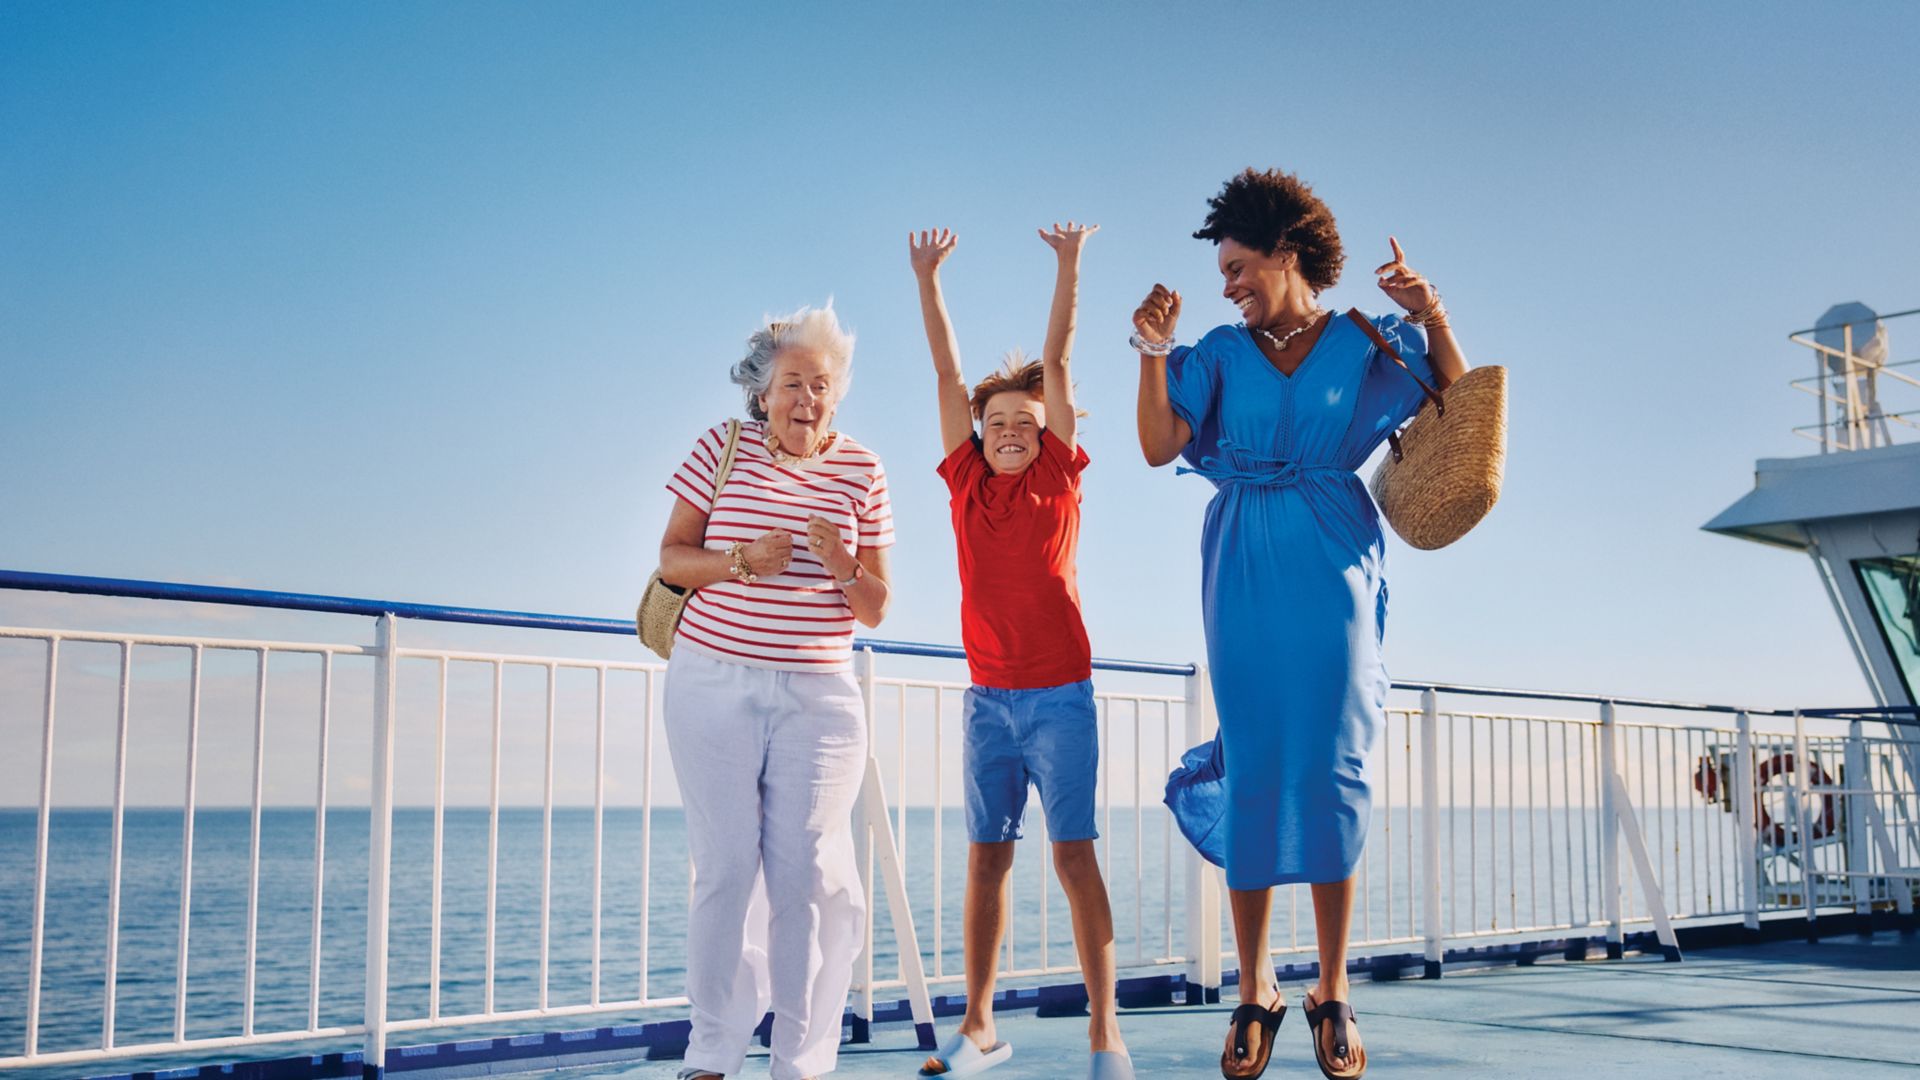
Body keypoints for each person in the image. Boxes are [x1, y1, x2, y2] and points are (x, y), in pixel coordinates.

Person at [1133, 169, 1470, 1080]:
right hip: (1241, 561)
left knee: (1334, 768)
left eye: (1239, 265)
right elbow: (1160, 443)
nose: (1228, 283)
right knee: (1254, 763)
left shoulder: (1364, 340)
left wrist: (1431, 309)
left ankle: (1332, 987)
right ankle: (1255, 989)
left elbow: (1456, 395)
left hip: (1335, 562)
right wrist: (1150, 350)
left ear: (1287, 256)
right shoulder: (1214, 352)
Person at [908, 223, 1132, 1080]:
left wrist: (1070, 264)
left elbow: (1060, 361)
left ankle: (1106, 1034)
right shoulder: (964, 480)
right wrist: (928, 279)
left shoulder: (1057, 477)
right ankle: (978, 1028)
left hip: (1059, 700)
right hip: (986, 703)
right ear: (977, 433)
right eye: (994, 421)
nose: (1007, 430)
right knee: (986, 860)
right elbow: (943, 372)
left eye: (1024, 422)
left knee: (1074, 857)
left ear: (1047, 433)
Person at [657, 303, 894, 1080]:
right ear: (763, 392)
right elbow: (672, 560)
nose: (807, 400)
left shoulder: (862, 469)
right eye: (792, 383)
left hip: (819, 697)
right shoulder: (718, 450)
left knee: (810, 876)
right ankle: (711, 1052)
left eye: (821, 385)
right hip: (712, 684)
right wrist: (742, 561)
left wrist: (842, 565)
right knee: (725, 866)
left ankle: (799, 1059)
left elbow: (877, 607)